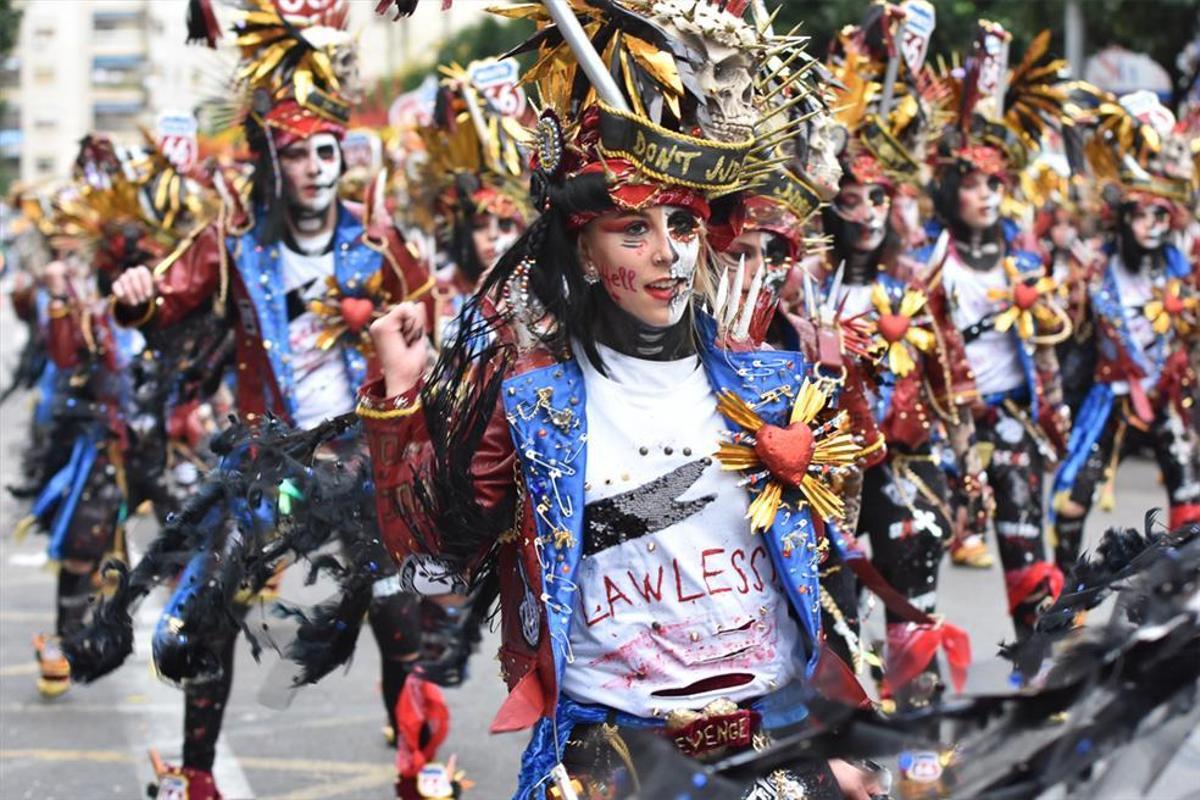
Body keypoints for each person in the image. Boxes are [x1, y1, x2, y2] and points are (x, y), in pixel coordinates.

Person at [359, 1, 882, 797]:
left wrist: (844, 745)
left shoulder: (774, 383)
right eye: (633, 230)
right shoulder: (535, 402)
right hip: (621, 757)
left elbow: (827, 571)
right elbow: (431, 568)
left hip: (775, 746)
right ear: (581, 246)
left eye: (682, 223)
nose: (668, 254)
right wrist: (398, 402)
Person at [105, 3, 432, 796]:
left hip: (357, 457)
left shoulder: (378, 243)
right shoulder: (236, 243)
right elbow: (166, 297)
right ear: (271, 162)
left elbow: (427, 328)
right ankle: (196, 775)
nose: (318, 167)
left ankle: (415, 768)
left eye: (328, 151)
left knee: (398, 615)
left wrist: (415, 327)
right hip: (266, 457)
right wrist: (134, 297)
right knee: (212, 610)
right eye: (298, 155)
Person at [912, 23, 1074, 639]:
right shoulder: (927, 261)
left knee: (1024, 544)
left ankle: (1037, 663)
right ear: (951, 189)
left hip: (1007, 420)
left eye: (994, 185)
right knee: (918, 554)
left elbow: (1047, 351)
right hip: (937, 426)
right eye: (974, 184)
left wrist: (1054, 413)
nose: (985, 196)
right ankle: (909, 681)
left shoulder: (1022, 262)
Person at [1051, 90, 1200, 565]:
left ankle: (1178, 592)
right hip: (1110, 399)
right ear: (1123, 218)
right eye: (1141, 214)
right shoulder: (1095, 269)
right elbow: (1067, 335)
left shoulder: (1182, 271)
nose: (1153, 225)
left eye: (1161, 214)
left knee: (1189, 495)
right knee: (1073, 499)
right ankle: (1065, 597)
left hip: (1167, 400)